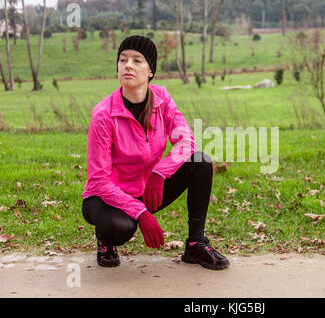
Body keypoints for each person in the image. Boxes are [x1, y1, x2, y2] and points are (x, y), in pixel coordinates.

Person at [81, 35, 229, 270]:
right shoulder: (103, 114)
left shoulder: (162, 99)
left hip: (148, 188)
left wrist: (160, 173)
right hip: (107, 198)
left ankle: (195, 244)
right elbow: (98, 181)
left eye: (137, 60)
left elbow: (187, 142)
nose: (127, 65)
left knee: (200, 162)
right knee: (118, 228)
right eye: (122, 60)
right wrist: (140, 213)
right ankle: (105, 242)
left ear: (150, 71)